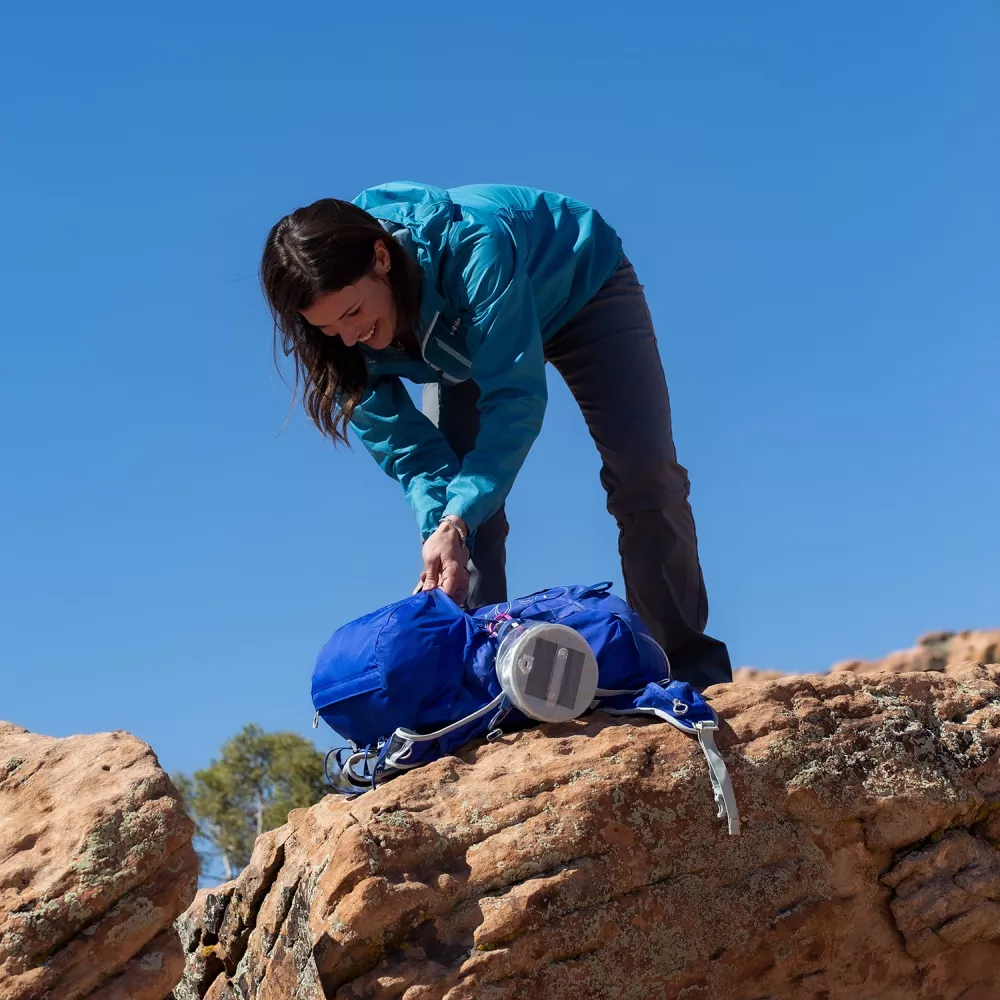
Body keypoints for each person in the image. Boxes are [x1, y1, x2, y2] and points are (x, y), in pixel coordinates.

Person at [260, 183, 732, 690]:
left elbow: (515, 397)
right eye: (329, 328)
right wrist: (446, 526)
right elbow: (412, 455)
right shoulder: (338, 344)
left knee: (645, 475)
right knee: (460, 524)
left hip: (578, 287)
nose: (349, 337)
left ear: (381, 258)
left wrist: (460, 513)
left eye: (352, 313)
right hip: (460, 350)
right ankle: (496, 681)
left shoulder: (472, 247)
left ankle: (680, 667)